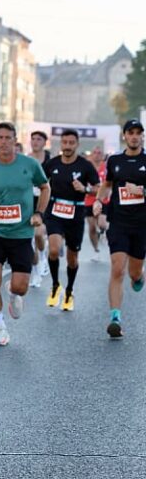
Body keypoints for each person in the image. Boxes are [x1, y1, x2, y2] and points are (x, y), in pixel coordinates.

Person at [0, 122, 49, 346]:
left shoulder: (29, 165)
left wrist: (39, 213)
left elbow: (45, 187)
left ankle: (13, 292)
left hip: (22, 233)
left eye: (8, 138)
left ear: (15, 140)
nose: (4, 142)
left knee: (21, 286)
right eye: (0, 138)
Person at [93, 119, 146, 339]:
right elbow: (107, 185)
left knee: (133, 273)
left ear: (142, 136)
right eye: (130, 133)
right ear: (125, 136)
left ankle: (139, 276)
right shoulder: (114, 160)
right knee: (117, 269)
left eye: (138, 133)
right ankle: (115, 318)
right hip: (119, 223)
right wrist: (98, 200)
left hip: (141, 224)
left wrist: (142, 191)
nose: (134, 136)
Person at [42, 129, 99, 311]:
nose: (67, 146)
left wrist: (85, 189)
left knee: (72, 258)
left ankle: (69, 290)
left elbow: (98, 188)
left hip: (75, 212)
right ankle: (55, 285)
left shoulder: (86, 166)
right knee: (53, 249)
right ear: (60, 144)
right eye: (64, 142)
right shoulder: (51, 164)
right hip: (55, 210)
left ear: (77, 144)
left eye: (71, 143)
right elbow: (41, 184)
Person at [28, 130, 52, 287]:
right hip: (28, 201)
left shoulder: (51, 161)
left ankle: (43, 256)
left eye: (39, 139)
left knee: (38, 234)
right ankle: (35, 272)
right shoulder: (25, 160)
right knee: (28, 243)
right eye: (33, 139)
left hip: (45, 201)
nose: (35, 142)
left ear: (45, 142)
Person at [84, 146, 109, 261]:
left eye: (100, 153)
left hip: (104, 199)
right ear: (91, 154)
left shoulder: (107, 167)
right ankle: (96, 250)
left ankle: (103, 232)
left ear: (103, 155)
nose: (97, 154)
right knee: (92, 227)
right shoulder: (87, 166)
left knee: (102, 223)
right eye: (95, 152)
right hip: (89, 200)